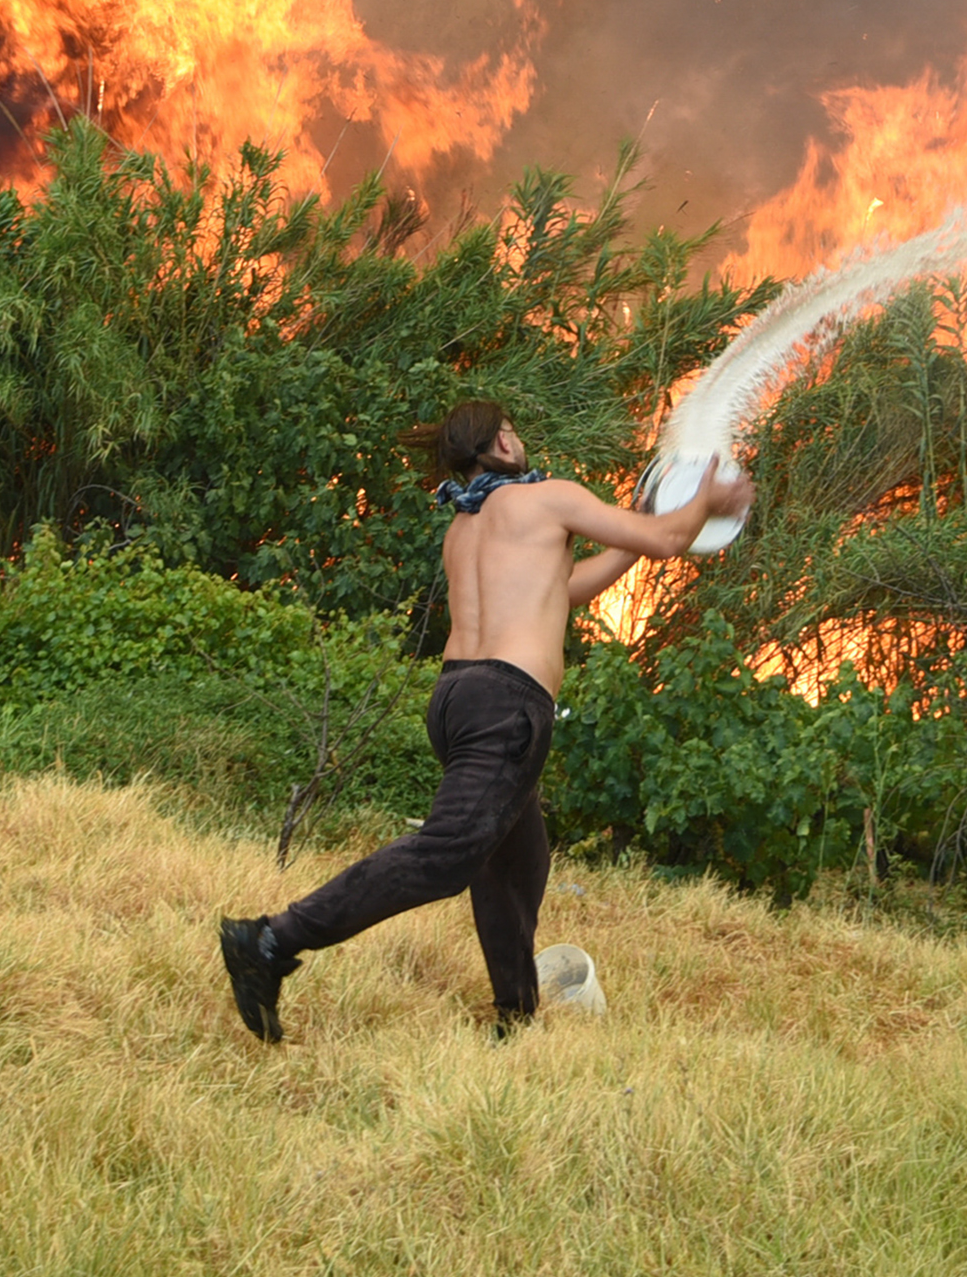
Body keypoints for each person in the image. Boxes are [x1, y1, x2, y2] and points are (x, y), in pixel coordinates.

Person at [216, 398, 750, 1043]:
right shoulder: (548, 497)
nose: (520, 439)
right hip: (507, 703)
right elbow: (669, 540)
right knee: (448, 856)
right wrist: (706, 502)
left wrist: (638, 525)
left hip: (455, 698)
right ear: (499, 443)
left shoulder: (465, 526)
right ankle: (271, 941)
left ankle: (515, 1018)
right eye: (514, 430)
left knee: (517, 864)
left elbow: (565, 589)